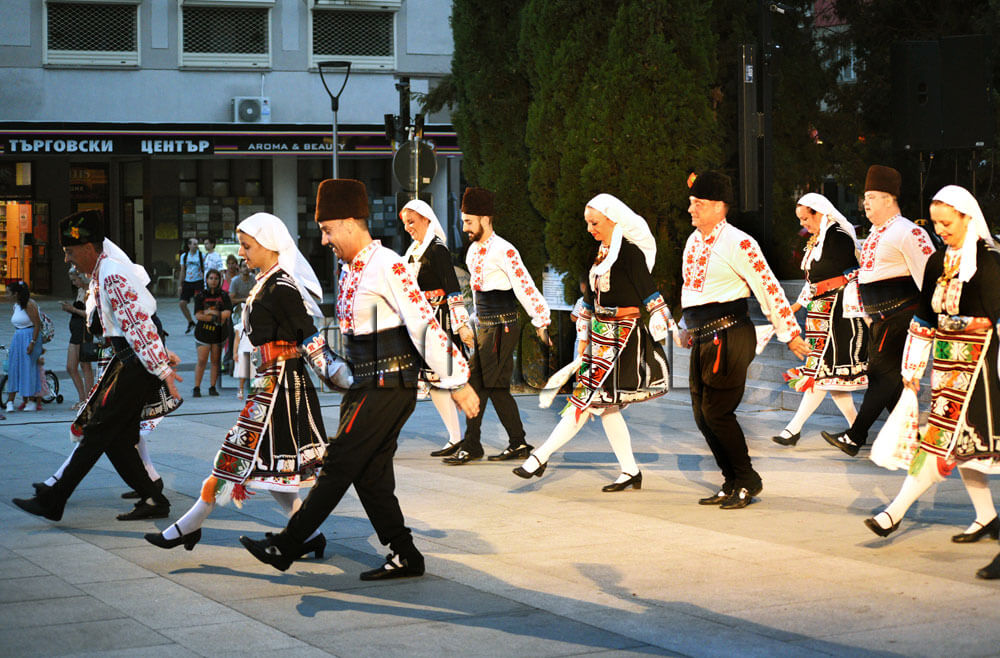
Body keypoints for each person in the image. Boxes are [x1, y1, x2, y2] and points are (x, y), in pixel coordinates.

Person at [240, 178, 479, 580]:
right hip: (365, 382)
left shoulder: (387, 264)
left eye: (328, 229)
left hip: (390, 380)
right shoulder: (351, 268)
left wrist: (457, 381)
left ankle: (288, 544)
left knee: (338, 462)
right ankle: (406, 554)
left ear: (351, 223)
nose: (324, 239)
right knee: (371, 475)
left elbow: (422, 323)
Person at [145, 212, 349, 554]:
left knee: (234, 455)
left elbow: (308, 336)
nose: (241, 253)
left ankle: (188, 526)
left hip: (280, 386)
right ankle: (308, 535)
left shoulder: (281, 286)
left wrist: (342, 376)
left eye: (247, 246)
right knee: (272, 468)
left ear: (269, 245)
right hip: (271, 383)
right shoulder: (268, 282)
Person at [859, 188, 1000, 568]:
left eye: (947, 223)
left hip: (982, 373)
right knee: (958, 447)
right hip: (946, 371)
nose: (940, 230)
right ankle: (986, 516)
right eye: (936, 223)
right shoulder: (939, 261)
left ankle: (894, 512)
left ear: (968, 218)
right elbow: (924, 316)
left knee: (946, 445)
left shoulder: (988, 262)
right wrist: (912, 367)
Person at [12, 209, 179, 522]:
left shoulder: (111, 273)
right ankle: (153, 498)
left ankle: (53, 499)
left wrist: (163, 368)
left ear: (88, 248)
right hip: (130, 361)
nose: (67, 259)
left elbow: (138, 324)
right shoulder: (104, 271)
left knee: (97, 431)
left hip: (136, 364)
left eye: (70, 252)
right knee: (115, 437)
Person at [514, 194, 674, 491]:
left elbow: (650, 293)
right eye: (588, 223)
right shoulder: (600, 253)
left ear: (614, 220)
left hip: (623, 336)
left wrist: (669, 325)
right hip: (602, 336)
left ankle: (540, 457)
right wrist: (584, 334)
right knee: (605, 406)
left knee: (585, 400)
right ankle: (630, 471)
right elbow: (590, 298)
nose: (590, 229)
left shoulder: (630, 253)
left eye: (595, 223)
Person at [676, 171, 810, 509]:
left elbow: (768, 287)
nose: (691, 209)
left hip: (729, 335)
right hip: (703, 336)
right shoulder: (693, 241)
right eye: (691, 203)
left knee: (717, 412)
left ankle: (747, 479)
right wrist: (683, 325)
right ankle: (730, 480)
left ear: (719, 206)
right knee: (702, 415)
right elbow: (690, 289)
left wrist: (790, 333)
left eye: (699, 204)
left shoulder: (739, 242)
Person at [822, 165, 935, 456]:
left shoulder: (909, 232)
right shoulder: (875, 234)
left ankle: (855, 436)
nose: (865, 203)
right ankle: (913, 437)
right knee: (888, 380)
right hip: (880, 319)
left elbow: (930, 277)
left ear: (889, 198)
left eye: (871, 196)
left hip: (901, 316)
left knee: (881, 375)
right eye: (865, 197)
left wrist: (927, 319)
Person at [440, 187, 551, 465]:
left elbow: (525, 285)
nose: (464, 228)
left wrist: (541, 320)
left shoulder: (505, 250)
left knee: (476, 383)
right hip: (486, 327)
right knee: (498, 388)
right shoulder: (472, 252)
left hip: (503, 326)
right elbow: (478, 298)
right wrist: (470, 324)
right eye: (463, 221)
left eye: (468, 221)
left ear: (485, 218)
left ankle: (471, 445)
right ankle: (518, 442)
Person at [773, 193, 869, 446]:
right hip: (820, 310)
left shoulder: (838, 236)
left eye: (805, 218)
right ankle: (857, 430)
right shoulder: (818, 239)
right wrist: (796, 306)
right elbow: (813, 281)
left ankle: (793, 429)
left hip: (838, 311)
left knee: (819, 370)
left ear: (819, 213)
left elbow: (853, 274)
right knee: (829, 375)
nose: (803, 224)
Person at [398, 199, 474, 455]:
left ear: (426, 219)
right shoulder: (413, 251)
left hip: (440, 321)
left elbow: (452, 287)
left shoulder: (437, 249)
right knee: (435, 382)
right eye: (405, 223)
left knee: (445, 381)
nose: (408, 227)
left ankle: (466, 437)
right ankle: (456, 437)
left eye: (412, 221)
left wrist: (461, 325)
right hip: (421, 322)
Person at [191, 269, 232, 397]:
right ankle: (196, 387)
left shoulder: (224, 295)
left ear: (220, 280)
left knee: (215, 361)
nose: (213, 281)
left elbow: (227, 313)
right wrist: (216, 317)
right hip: (203, 333)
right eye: (211, 278)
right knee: (202, 360)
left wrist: (210, 312)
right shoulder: (201, 296)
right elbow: (198, 315)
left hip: (219, 334)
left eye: (216, 278)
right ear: (207, 280)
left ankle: (212, 387)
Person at [5, 281, 43, 412]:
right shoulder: (16, 305)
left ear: (16, 293)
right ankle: (10, 400)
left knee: (28, 368)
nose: (6, 296)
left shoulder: (29, 304)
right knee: (13, 367)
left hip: (28, 336)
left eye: (8, 293)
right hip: (18, 336)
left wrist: (32, 342)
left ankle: (31, 400)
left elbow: (37, 324)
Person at [61, 267, 95, 410]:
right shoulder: (81, 291)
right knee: (71, 367)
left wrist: (73, 309)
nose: (73, 283)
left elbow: (90, 314)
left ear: (82, 278)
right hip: (75, 331)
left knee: (85, 365)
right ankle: (82, 398)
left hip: (83, 331)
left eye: (75, 280)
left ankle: (88, 399)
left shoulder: (90, 292)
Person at [177, 237, 204, 334]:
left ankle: (200, 324)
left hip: (198, 282)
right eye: (194, 244)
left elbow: (205, 269)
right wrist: (180, 285)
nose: (196, 246)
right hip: (188, 282)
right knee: (182, 303)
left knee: (198, 303)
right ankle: (190, 322)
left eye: (197, 244)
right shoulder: (184, 256)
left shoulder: (201, 255)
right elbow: (182, 270)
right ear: (189, 245)